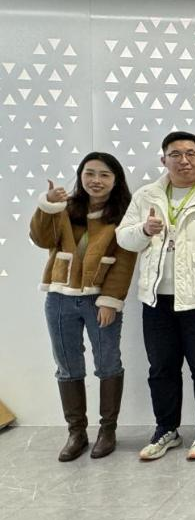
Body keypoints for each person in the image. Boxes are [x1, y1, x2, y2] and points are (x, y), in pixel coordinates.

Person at [116, 132, 195, 461]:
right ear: (164, 160)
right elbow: (124, 238)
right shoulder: (146, 196)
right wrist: (144, 230)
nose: (184, 160)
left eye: (191, 153)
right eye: (175, 154)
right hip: (156, 299)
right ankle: (166, 430)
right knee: (161, 368)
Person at [30, 153, 137, 461]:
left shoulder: (123, 216)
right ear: (80, 176)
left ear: (115, 180)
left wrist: (110, 301)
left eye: (104, 175)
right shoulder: (66, 207)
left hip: (98, 299)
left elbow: (124, 262)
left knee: (107, 362)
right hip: (59, 297)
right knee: (67, 365)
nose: (96, 180)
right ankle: (76, 433)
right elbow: (41, 238)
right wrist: (48, 205)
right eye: (89, 173)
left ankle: (107, 431)